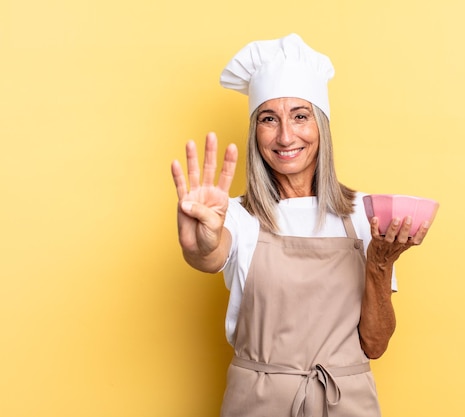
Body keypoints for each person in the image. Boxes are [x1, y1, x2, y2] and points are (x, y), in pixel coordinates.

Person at [171, 33, 431, 417]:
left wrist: (379, 263)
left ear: (321, 126)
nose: (286, 136)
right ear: (255, 132)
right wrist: (200, 244)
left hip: (345, 404)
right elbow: (211, 254)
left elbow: (374, 345)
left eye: (300, 116)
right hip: (257, 405)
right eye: (269, 119)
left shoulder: (364, 212)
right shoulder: (237, 216)